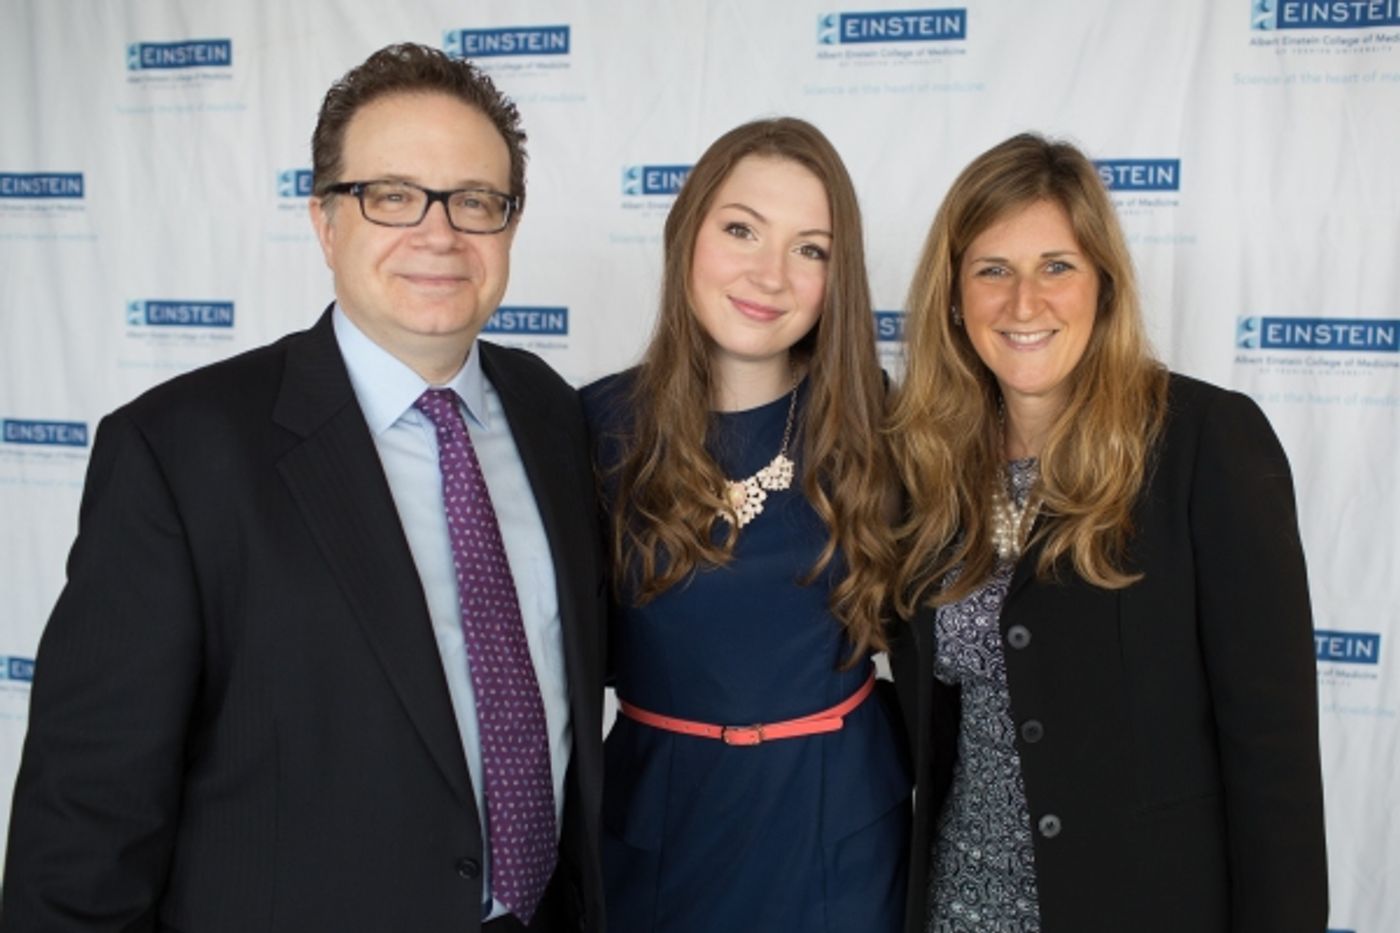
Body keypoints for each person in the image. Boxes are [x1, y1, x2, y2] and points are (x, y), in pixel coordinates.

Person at [3, 43, 604, 933]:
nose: (439, 234)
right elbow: (86, 826)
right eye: (392, 195)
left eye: (475, 201)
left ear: (509, 226)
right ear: (326, 221)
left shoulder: (555, 417)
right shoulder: (177, 454)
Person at [886, 132, 1328, 933]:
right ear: (953, 296)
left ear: (1104, 286)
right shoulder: (925, 464)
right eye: (993, 270)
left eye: (1057, 266)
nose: (1025, 303)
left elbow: (1276, 761)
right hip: (960, 909)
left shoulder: (1205, 442)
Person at [581, 117, 909, 933]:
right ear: (686, 231)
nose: (771, 274)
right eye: (741, 230)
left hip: (838, 835)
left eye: (811, 249)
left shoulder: (888, 425)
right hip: (659, 832)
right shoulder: (593, 426)